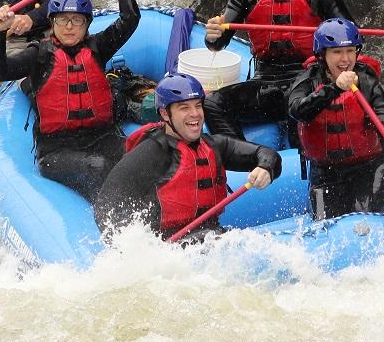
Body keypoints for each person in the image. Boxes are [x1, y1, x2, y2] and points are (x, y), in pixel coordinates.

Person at [0, 0, 136, 201]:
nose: (69, 26)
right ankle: (109, 220)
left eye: (76, 20)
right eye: (63, 20)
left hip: (102, 137)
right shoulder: (39, 55)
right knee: (97, 166)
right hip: (56, 149)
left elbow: (130, 18)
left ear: (87, 24)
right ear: (52, 23)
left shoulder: (98, 48)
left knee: (138, 159)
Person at [202, 0, 353, 140]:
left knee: (300, 112)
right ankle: (243, 155)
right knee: (213, 104)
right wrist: (213, 34)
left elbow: (351, 36)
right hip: (266, 84)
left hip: (309, 79)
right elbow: (217, 43)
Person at [93, 73, 282, 241]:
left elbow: (267, 155)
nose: (195, 114)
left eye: (198, 106)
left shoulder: (215, 145)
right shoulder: (151, 152)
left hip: (208, 238)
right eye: (184, 108)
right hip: (168, 248)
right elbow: (106, 205)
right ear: (165, 114)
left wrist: (265, 167)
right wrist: (133, 248)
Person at [287, 18, 384, 219]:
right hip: (326, 173)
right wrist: (334, 89)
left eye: (350, 51)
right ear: (322, 55)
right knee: (324, 223)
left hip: (372, 167)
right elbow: (298, 110)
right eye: (337, 52)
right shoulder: (307, 81)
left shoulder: (367, 81)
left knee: (363, 214)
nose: (345, 59)